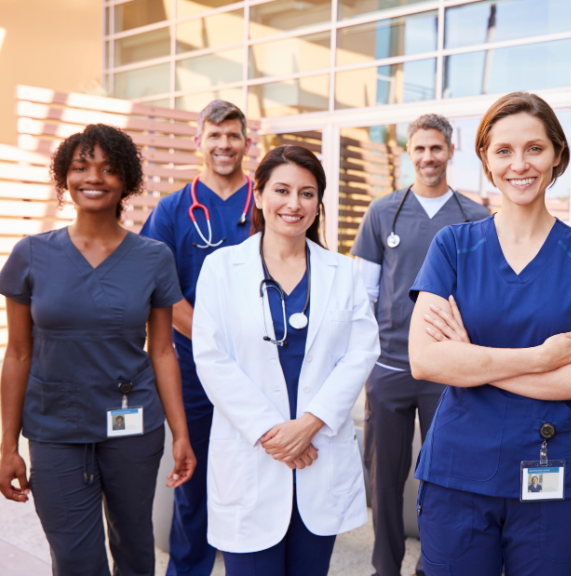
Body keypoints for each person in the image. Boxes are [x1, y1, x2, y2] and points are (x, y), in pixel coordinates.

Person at [408, 92, 571, 575]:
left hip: (553, 476)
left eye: (534, 148)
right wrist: (538, 358)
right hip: (458, 473)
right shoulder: (453, 247)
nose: (519, 164)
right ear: (486, 160)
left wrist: (470, 359)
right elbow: (425, 360)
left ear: (557, 155)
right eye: (504, 151)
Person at [0, 124, 196, 575]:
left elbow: (163, 352)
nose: (93, 178)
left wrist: (180, 434)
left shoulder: (153, 257)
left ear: (126, 179)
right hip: (54, 427)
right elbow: (18, 354)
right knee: (75, 559)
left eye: (108, 169)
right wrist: (8, 444)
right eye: (81, 167)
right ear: (64, 177)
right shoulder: (31, 255)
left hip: (132, 426)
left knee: (134, 548)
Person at [191, 145, 379, 576]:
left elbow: (361, 352)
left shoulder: (344, 272)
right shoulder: (222, 268)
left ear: (318, 203)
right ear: (258, 195)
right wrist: (273, 434)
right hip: (255, 453)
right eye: (282, 190)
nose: (294, 204)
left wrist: (309, 424)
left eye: (307, 193)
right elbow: (211, 358)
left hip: (317, 451)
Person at [350, 113, 491, 576]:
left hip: (447, 372)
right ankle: (385, 567)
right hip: (390, 369)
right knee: (384, 478)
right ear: (408, 153)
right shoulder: (382, 213)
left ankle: (433, 566)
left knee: (445, 477)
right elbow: (363, 297)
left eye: (436, 148)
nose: (428, 157)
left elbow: (483, 297)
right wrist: (366, 365)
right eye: (420, 148)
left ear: (451, 151)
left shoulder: (476, 218)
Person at [140, 100, 255, 576]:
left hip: (260, 367)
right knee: (194, 480)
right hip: (192, 370)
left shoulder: (267, 202)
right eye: (215, 135)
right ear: (198, 142)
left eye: (233, 135)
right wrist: (217, 345)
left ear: (247, 142)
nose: (224, 144)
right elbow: (160, 293)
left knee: (255, 475)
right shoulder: (172, 210)